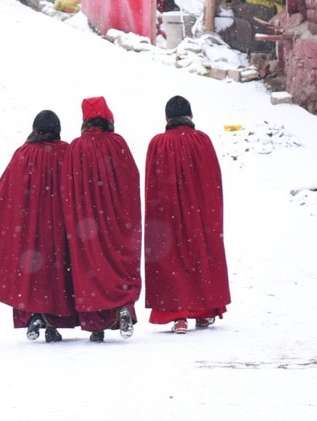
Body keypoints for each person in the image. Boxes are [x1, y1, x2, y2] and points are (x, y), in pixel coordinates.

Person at [0, 110, 77, 342]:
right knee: (58, 273)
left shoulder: (23, 154)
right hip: (58, 227)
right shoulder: (66, 153)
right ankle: (53, 319)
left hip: (30, 229)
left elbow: (7, 193)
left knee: (32, 272)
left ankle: (34, 315)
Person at [144, 96, 230, 334]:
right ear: (190, 116)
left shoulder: (157, 144)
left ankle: (178, 315)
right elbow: (213, 181)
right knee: (201, 254)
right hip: (200, 211)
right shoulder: (202, 141)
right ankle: (203, 312)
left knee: (172, 257)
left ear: (166, 118)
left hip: (168, 213)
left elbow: (153, 184)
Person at [61, 97, 142, 342]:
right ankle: (124, 308)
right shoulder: (118, 144)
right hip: (116, 220)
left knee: (91, 267)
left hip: (86, 223)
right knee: (119, 263)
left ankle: (96, 324)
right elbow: (132, 178)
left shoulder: (76, 147)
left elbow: (68, 186)